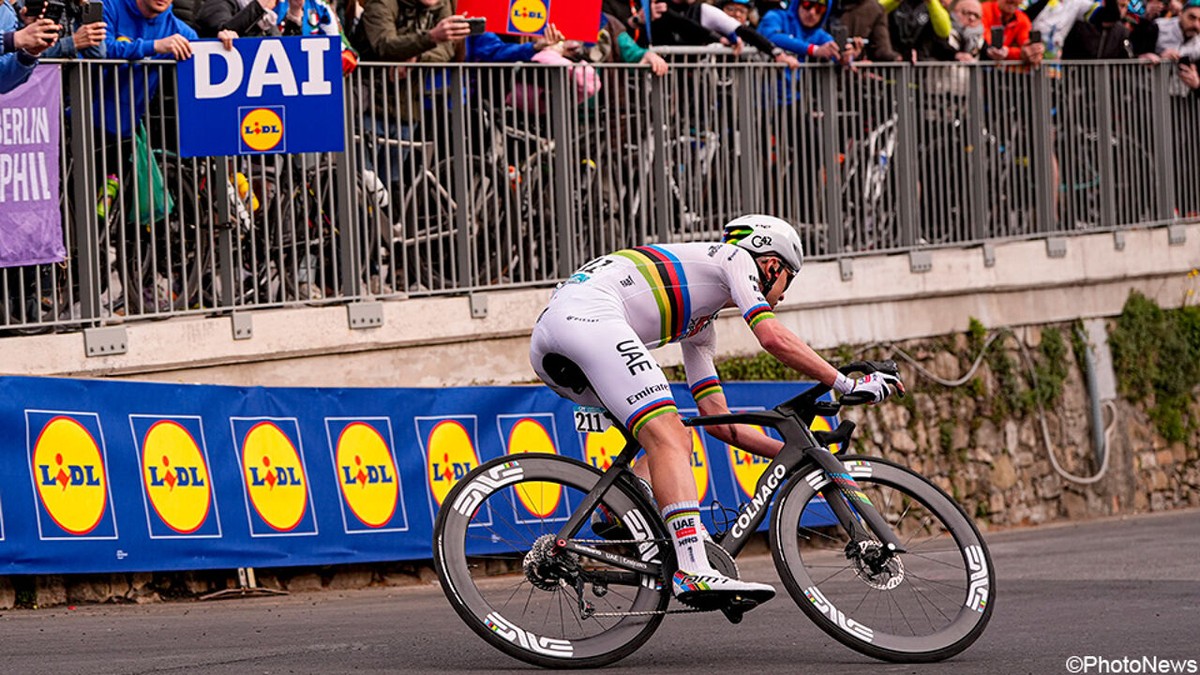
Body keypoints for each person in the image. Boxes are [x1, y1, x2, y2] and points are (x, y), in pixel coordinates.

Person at [529, 215, 905, 608]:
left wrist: (800, 453)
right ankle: (693, 567)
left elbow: (721, 423)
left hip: (556, 339)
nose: (783, 295)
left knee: (674, 438)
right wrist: (846, 384)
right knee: (669, 435)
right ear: (771, 265)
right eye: (788, 280)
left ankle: (619, 506)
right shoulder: (734, 259)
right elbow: (772, 338)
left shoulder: (700, 328)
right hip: (591, 320)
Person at [0, 5, 57, 94]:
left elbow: (2, 82)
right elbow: (13, 40)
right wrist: (11, 40)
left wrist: (28, 53)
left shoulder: (6, 12)